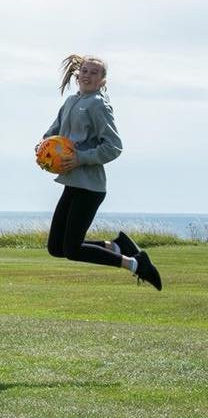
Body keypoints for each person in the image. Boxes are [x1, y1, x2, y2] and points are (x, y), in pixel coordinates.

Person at [42, 54, 161, 290]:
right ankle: (117, 246)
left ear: (103, 81)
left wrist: (80, 158)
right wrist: (42, 145)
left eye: (94, 73)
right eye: (84, 71)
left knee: (73, 249)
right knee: (56, 248)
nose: (87, 75)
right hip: (72, 184)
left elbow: (113, 146)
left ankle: (137, 264)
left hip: (90, 187)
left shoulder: (98, 104)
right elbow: (53, 133)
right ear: (78, 75)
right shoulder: (69, 102)